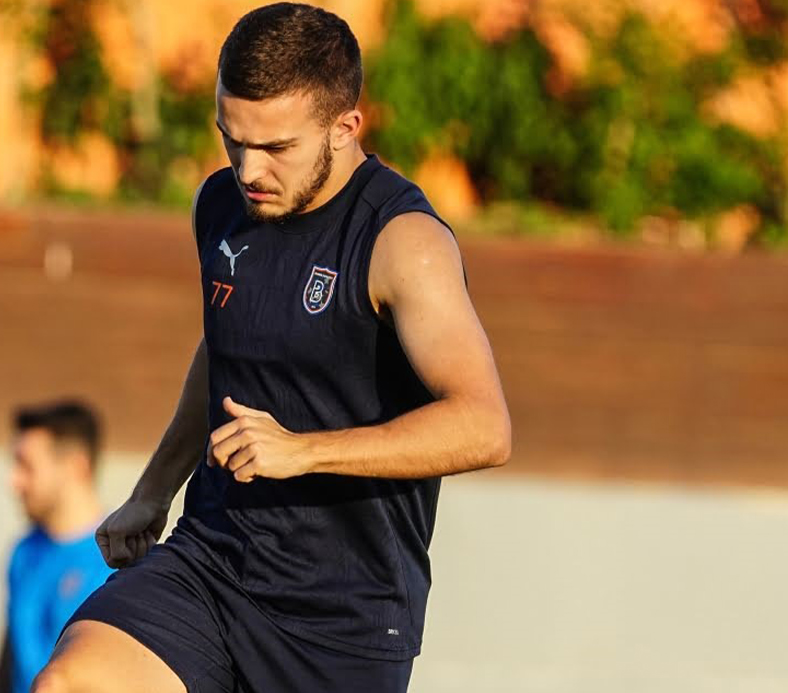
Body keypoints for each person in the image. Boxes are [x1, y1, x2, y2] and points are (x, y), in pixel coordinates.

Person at [32, 4, 512, 692]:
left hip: (342, 616)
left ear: (345, 127)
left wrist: (305, 449)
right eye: (232, 139)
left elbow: (484, 425)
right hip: (212, 561)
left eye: (277, 147)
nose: (249, 169)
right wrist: (153, 489)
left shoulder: (403, 243)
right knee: (69, 684)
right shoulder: (220, 207)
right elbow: (224, 351)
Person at [0, 401, 114, 693]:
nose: (13, 481)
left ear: (76, 467)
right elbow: (10, 662)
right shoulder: (23, 552)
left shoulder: (124, 559)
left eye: (26, 466)